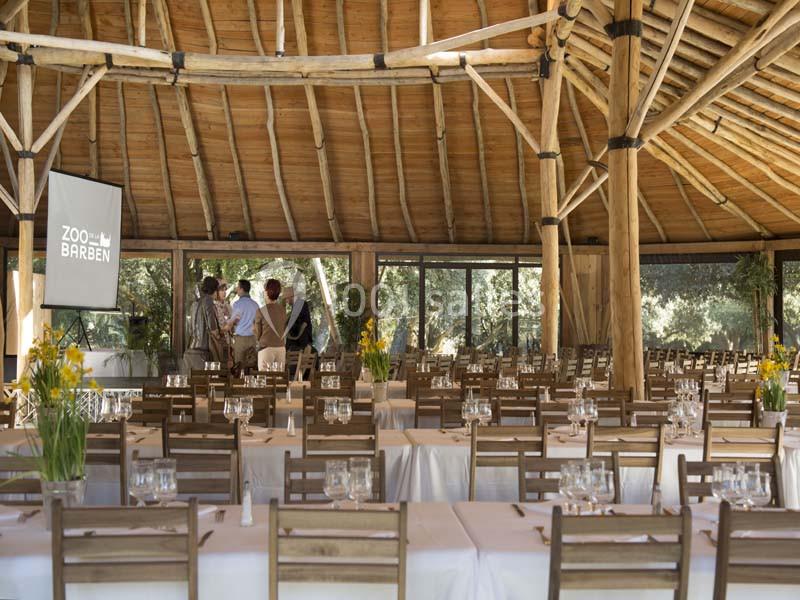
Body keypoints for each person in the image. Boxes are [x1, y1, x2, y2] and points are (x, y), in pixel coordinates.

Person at [184, 276, 221, 371]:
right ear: (215, 290)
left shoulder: (195, 304)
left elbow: (191, 327)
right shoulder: (208, 301)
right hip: (204, 347)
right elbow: (212, 327)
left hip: (193, 346)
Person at [254, 278, 288, 370]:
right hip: (281, 348)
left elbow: (258, 335)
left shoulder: (261, 311)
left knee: (265, 380)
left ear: (266, 292)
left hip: (266, 348)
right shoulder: (283, 311)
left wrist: (253, 329)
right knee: (279, 380)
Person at [229, 279, 259, 370]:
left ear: (242, 289)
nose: (236, 289)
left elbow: (234, 321)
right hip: (252, 339)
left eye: (238, 287)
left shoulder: (237, 304)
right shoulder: (255, 305)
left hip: (240, 339)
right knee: (251, 366)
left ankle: (239, 384)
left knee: (239, 366)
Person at [284, 286, 313, 351]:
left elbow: (304, 323)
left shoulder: (301, 304)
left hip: (301, 341)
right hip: (297, 340)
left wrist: (295, 337)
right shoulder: (296, 305)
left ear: (291, 296)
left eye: (286, 299)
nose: (286, 301)